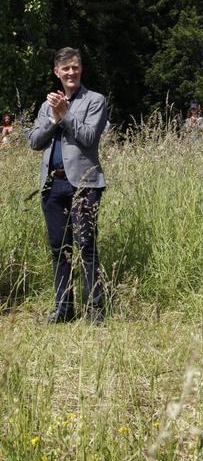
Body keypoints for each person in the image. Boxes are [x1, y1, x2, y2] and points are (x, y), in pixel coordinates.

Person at [28, 47, 108, 325]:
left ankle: (96, 310)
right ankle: (64, 309)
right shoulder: (46, 105)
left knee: (86, 246)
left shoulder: (95, 100)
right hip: (53, 185)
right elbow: (35, 141)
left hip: (84, 184)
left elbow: (88, 137)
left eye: (75, 67)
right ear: (57, 72)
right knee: (59, 249)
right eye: (66, 69)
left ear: (81, 69)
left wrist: (65, 114)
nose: (71, 73)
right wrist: (53, 117)